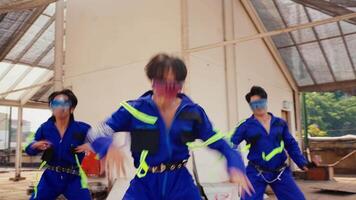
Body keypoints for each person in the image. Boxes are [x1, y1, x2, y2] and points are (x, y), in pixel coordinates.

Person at [76, 53, 254, 199]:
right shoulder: (134, 110)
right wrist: (107, 146)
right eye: (161, 84)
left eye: (174, 85)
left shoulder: (192, 112)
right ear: (152, 82)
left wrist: (236, 165)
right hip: (145, 183)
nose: (166, 91)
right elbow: (95, 132)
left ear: (180, 86)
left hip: (180, 182)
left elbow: (222, 143)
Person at [230, 86, 319, 200]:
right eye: (254, 104)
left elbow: (290, 144)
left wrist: (302, 163)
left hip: (280, 172)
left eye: (260, 102)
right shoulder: (245, 126)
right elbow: (231, 146)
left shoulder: (280, 123)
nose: (258, 106)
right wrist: (235, 168)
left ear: (266, 101)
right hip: (256, 172)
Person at [25, 89, 91, 200]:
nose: (59, 107)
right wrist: (35, 145)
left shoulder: (82, 129)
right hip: (50, 177)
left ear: (72, 108)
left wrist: (92, 146)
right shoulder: (44, 128)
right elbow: (29, 148)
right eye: (55, 103)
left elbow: (100, 142)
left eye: (64, 103)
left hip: (74, 177)